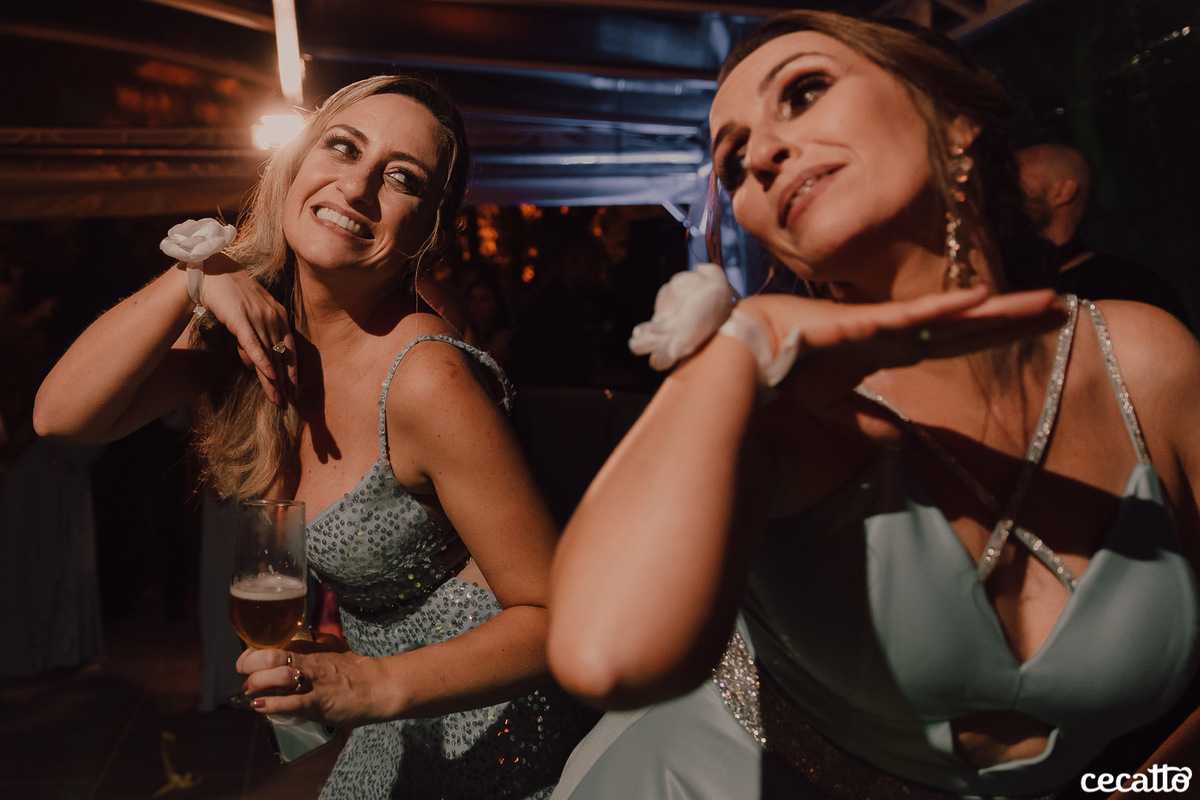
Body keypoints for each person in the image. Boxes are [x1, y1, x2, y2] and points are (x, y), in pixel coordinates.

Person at [546, 12, 1200, 800]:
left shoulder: (1145, 360)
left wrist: (1150, 787)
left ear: (954, 122)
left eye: (803, 92)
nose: (762, 155)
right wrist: (742, 346)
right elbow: (605, 656)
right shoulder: (780, 403)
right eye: (734, 161)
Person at [33, 73, 594, 799]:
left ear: (429, 231)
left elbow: (555, 617)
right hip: (390, 720)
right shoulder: (250, 338)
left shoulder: (426, 378)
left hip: (497, 735)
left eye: (402, 178)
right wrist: (194, 278)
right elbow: (62, 417)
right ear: (295, 164)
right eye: (343, 147)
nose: (357, 187)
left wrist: (375, 683)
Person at [1017, 142, 1192, 328]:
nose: (1002, 192)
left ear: (1063, 192)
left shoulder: (1132, 288)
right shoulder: (1011, 281)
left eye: (1015, 175)